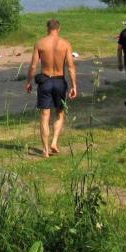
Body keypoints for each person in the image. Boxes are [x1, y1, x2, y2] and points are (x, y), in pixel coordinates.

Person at [25, 19, 79, 157]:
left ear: (47, 29)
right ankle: (54, 142)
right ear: (58, 29)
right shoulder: (65, 44)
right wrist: (74, 85)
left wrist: (29, 81)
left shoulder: (40, 43)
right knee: (60, 113)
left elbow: (33, 66)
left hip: (45, 82)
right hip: (59, 81)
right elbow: (71, 66)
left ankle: (45, 150)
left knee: (44, 116)